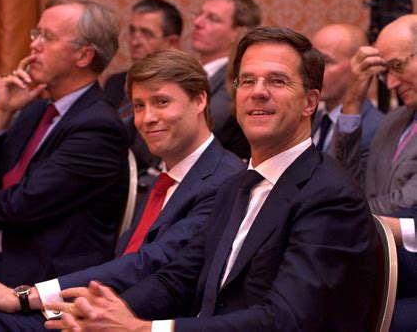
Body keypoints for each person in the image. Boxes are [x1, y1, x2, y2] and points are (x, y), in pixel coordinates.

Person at [43, 26, 378, 331]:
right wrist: (108, 312)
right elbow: (179, 278)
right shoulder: (236, 185)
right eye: (247, 81)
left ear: (309, 102)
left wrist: (144, 329)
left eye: (276, 81)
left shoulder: (330, 195)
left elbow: (285, 319)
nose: (257, 92)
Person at [0, 50, 245, 330]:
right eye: (139, 105)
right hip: (96, 303)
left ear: (200, 100)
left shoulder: (223, 179)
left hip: (141, 320)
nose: (147, 118)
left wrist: (29, 297)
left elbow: (153, 265)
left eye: (161, 102)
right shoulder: (166, 176)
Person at [0, 0, 130, 307]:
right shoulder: (35, 110)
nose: (34, 46)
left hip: (28, 271)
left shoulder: (98, 128)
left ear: (83, 56)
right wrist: (0, 114)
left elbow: (20, 204)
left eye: (48, 37)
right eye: (36, 34)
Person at [327, 14, 417, 332]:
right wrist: (353, 98)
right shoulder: (394, 120)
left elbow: (405, 202)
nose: (390, 83)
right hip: (381, 261)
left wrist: (343, 215)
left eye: (396, 66)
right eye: (384, 71)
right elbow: (346, 182)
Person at [105, 0, 183, 174]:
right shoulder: (114, 83)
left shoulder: (178, 91)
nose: (135, 41)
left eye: (146, 34)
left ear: (172, 43)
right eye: (132, 32)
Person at [193, 0, 260, 159]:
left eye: (213, 19)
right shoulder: (188, 71)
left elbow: (201, 130)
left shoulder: (236, 82)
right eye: (199, 14)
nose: (198, 22)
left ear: (236, 33)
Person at [311, 23, 383, 158]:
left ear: (359, 65)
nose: (314, 70)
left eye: (326, 61)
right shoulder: (312, 120)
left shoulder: (378, 129)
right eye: (313, 61)